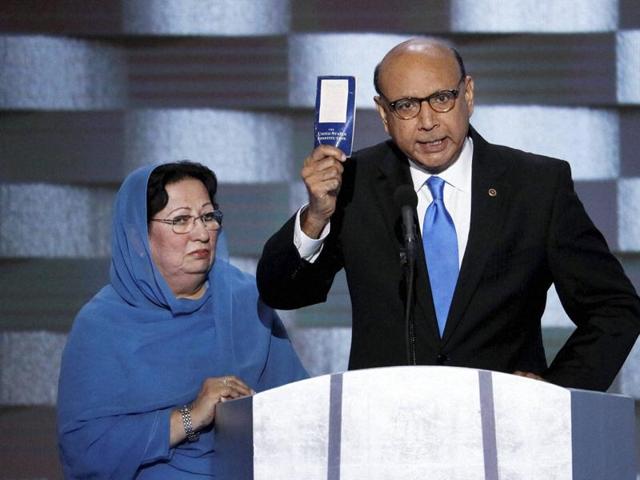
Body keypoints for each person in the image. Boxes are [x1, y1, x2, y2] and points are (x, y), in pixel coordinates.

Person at [256, 37, 640, 392]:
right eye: (406, 105)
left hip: (506, 433)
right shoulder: (354, 185)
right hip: (387, 432)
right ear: (384, 113)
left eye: (441, 98)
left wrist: (557, 393)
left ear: (468, 94)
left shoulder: (536, 185)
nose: (427, 121)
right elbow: (281, 291)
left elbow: (614, 308)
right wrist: (316, 217)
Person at [57, 161, 307, 478]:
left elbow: (300, 409)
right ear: (137, 238)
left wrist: (256, 415)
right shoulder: (102, 325)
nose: (202, 233)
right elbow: (83, 451)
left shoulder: (245, 300)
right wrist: (189, 416)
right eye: (181, 220)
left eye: (207, 216)